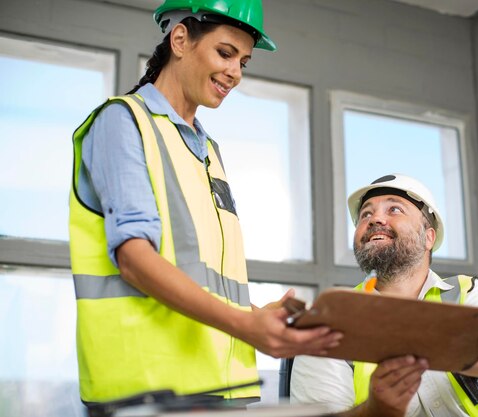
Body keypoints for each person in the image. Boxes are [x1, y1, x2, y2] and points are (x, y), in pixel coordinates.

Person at [69, 0, 341, 408]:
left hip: (220, 391)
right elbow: (134, 259)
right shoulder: (123, 123)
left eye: (244, 62)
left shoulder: (208, 150)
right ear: (180, 39)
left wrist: (256, 315)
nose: (234, 72)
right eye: (225, 52)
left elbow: (202, 277)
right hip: (148, 394)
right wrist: (245, 325)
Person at [290, 174, 478, 417]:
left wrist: (417, 342)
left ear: (428, 237)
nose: (375, 220)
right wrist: (376, 410)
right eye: (366, 215)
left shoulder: (469, 293)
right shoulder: (328, 323)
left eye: (394, 209)